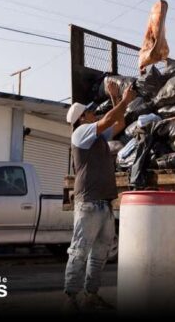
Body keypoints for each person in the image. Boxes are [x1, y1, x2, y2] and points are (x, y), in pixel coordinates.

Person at [62, 81, 136, 312]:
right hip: (89, 203)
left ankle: (90, 295)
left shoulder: (96, 136)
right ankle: (70, 298)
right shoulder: (80, 133)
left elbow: (119, 123)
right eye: (90, 112)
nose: (94, 113)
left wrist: (116, 98)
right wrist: (124, 100)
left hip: (104, 202)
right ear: (81, 118)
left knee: (100, 254)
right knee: (79, 251)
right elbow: (107, 120)